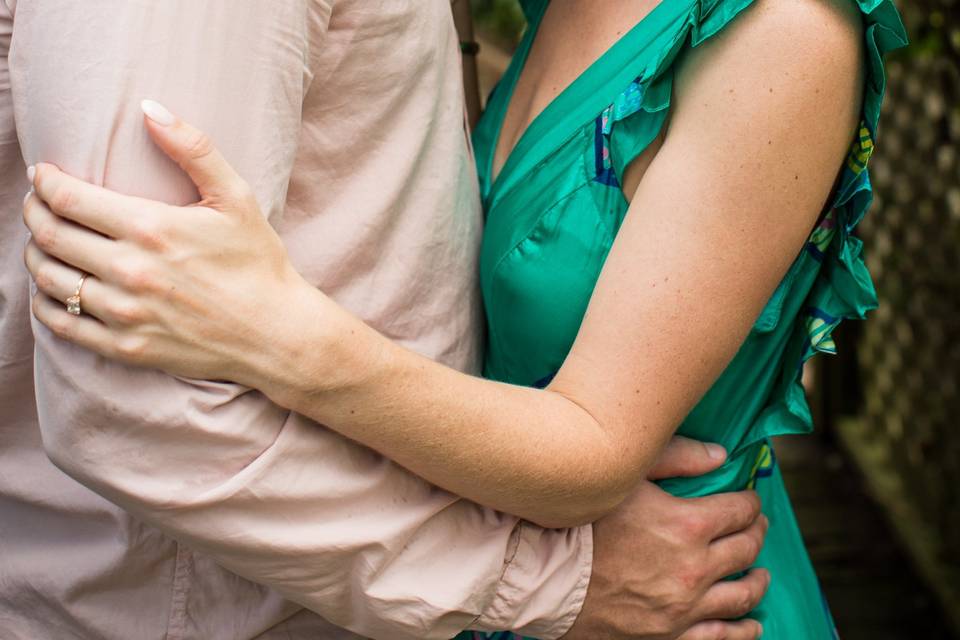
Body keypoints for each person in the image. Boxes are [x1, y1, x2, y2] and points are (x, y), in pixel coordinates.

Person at [19, 0, 910, 637]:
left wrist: (286, 332)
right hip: (512, 577)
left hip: (675, 592)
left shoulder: (788, 31)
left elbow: (596, 449)